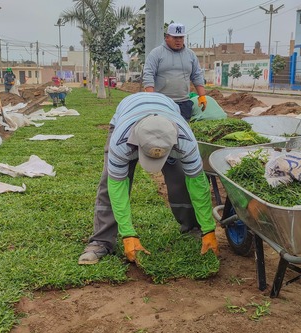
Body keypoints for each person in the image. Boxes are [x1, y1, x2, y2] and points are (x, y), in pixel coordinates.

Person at [78, 92, 219, 265]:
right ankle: (101, 241)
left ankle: (193, 228)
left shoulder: (185, 141)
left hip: (167, 111)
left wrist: (209, 228)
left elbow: (198, 184)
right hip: (128, 113)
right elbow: (117, 187)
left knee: (181, 178)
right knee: (109, 183)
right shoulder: (121, 142)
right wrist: (128, 234)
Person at [143, 23, 207, 121]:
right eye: (175, 38)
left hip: (183, 103)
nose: (178, 41)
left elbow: (197, 75)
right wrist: (152, 99)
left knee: (181, 133)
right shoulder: (156, 54)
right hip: (162, 103)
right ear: (167, 37)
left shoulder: (190, 55)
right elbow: (148, 75)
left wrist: (202, 96)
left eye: (181, 37)